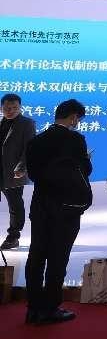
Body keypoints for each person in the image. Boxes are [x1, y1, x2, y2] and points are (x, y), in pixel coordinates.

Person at [23, 99, 91, 326]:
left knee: (36, 256)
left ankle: (33, 308)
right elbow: (85, 170)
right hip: (67, 207)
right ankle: (51, 308)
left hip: (41, 205)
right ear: (73, 117)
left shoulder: (36, 141)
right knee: (58, 257)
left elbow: (32, 174)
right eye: (78, 119)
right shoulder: (75, 140)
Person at [1, 93, 37, 249]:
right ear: (1, 108)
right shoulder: (1, 122)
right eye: (7, 108)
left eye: (14, 108)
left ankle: (13, 236)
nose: (10, 111)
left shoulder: (27, 123)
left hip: (13, 172)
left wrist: (22, 168)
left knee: (14, 205)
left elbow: (29, 148)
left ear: (20, 107)